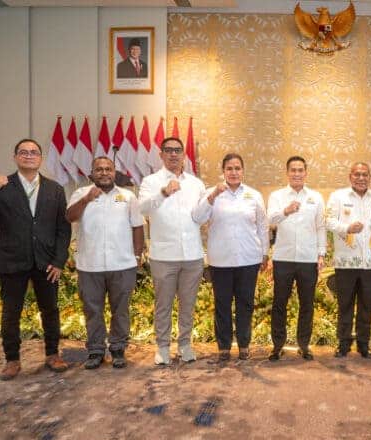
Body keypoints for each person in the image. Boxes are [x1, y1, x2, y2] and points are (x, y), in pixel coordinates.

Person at [0, 139, 71, 380]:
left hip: (46, 263)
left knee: (50, 310)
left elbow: (63, 229)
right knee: (11, 313)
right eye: (23, 152)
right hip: (13, 260)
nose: (29, 156)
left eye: (34, 152)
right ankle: (12, 360)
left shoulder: (55, 189)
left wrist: (59, 261)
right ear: (15, 157)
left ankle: (52, 354)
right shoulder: (3, 186)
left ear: (40, 158)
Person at [66, 156, 145, 369]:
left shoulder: (128, 196)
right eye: (99, 169)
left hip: (123, 265)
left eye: (108, 169)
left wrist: (138, 256)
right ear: (92, 173)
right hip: (89, 265)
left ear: (114, 172)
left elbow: (138, 226)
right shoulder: (81, 194)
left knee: (121, 310)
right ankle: (96, 350)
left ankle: (118, 348)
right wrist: (86, 199)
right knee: (93, 310)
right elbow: (70, 217)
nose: (104, 173)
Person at [195, 153, 269, 361]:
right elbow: (198, 218)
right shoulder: (212, 193)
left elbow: (262, 226)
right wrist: (212, 196)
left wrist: (264, 252)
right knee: (222, 304)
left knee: (245, 303)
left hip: (249, 259)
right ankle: (224, 346)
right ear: (223, 171)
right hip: (221, 260)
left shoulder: (254, 195)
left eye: (237, 168)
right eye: (229, 168)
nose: (233, 172)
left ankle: (244, 344)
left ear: (243, 171)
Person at [138, 137, 206, 365]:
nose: (173, 154)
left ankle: (185, 345)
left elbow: (201, 215)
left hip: (192, 255)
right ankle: (163, 347)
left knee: (188, 304)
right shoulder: (150, 181)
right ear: (161, 155)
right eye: (168, 150)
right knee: (163, 304)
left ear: (184, 154)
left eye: (177, 150)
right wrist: (163, 193)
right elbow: (142, 208)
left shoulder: (195, 184)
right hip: (163, 256)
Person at [326, 162, 371, 359]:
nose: (361, 178)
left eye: (365, 174)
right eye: (357, 174)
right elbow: (328, 221)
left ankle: (364, 344)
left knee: (367, 305)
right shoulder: (338, 197)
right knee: (345, 304)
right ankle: (343, 343)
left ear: (370, 177)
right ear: (350, 177)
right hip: (346, 263)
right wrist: (346, 228)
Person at [267, 156, 326, 361]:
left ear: (306, 173)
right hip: (283, 258)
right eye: (293, 170)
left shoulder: (316, 197)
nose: (297, 174)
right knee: (279, 303)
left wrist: (321, 253)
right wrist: (286, 211)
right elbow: (269, 219)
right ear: (287, 172)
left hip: (308, 259)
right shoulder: (277, 196)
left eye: (300, 170)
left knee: (306, 303)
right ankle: (277, 345)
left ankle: (304, 345)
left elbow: (320, 226)